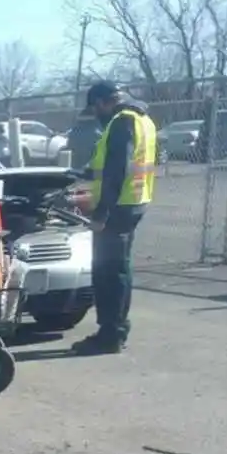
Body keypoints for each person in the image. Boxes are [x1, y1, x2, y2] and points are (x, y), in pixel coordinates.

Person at [74, 79, 158, 355]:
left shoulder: (121, 122)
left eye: (96, 108)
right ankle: (118, 328)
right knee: (120, 269)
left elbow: (116, 171)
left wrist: (101, 213)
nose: (97, 115)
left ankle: (110, 334)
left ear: (101, 102)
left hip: (117, 207)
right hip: (135, 202)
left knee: (108, 273)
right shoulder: (142, 119)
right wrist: (87, 174)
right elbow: (115, 166)